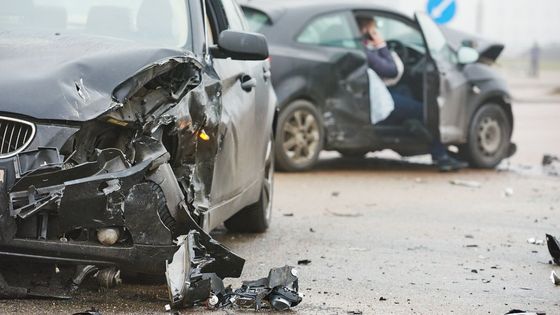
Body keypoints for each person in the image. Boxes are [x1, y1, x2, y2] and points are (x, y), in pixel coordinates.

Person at [356, 15, 468, 172]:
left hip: (375, 94)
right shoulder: (363, 51)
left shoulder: (358, 48)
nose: (376, 32)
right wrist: (381, 45)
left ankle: (410, 126)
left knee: (405, 91)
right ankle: (440, 155)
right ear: (366, 30)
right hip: (376, 100)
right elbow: (391, 70)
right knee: (426, 112)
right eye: (374, 29)